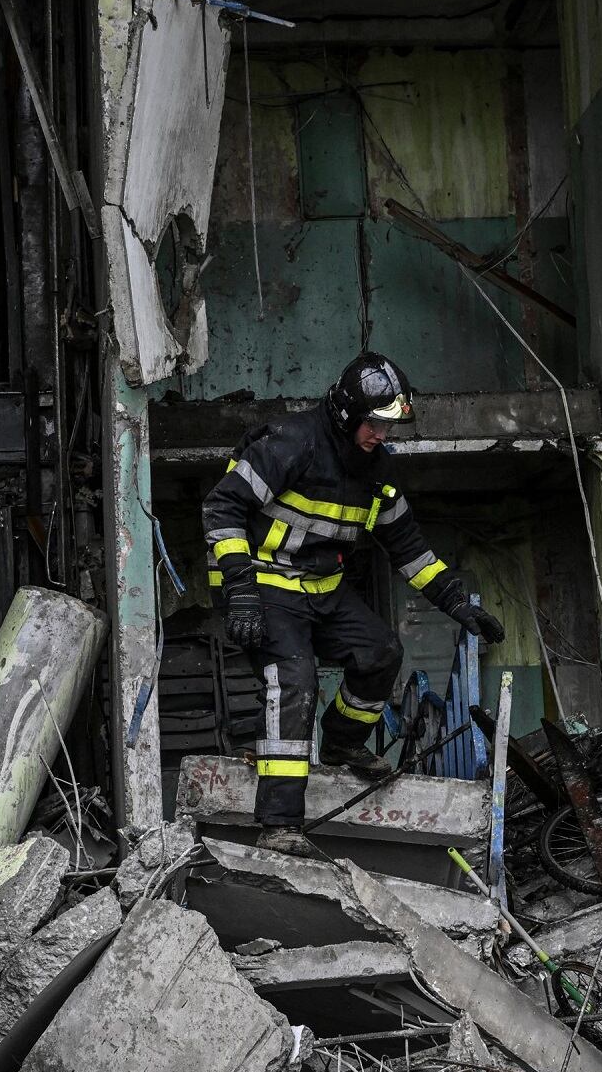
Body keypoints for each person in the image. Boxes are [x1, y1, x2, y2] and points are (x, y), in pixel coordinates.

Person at [201, 352, 505, 855]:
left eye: (390, 425)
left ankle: (342, 742)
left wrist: (457, 603)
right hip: (264, 587)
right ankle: (279, 823)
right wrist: (239, 589)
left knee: (381, 651)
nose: (382, 434)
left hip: (323, 590)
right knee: (292, 682)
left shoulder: (377, 472)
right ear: (347, 415)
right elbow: (222, 505)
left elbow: (407, 546)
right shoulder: (290, 444)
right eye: (375, 423)